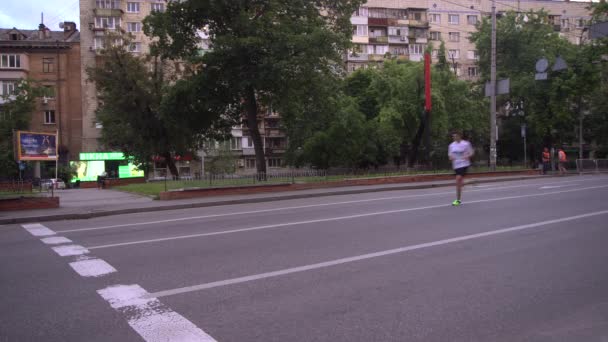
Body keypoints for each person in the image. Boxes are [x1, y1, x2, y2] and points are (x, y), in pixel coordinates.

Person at [448, 131, 474, 206]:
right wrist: (451, 158)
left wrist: (467, 156)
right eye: (453, 136)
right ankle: (471, 182)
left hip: (464, 164)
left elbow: (471, 153)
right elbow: (450, 155)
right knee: (459, 183)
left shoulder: (466, 144)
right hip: (456, 165)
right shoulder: (451, 145)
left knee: (458, 179)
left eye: (455, 136)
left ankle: (457, 200)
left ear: (459, 136)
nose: (454, 138)